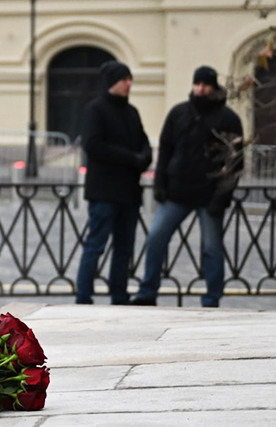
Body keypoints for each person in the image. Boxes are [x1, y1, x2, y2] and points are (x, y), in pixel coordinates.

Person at [130, 66, 244, 308]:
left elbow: (235, 162)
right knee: (156, 238)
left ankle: (212, 298)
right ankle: (148, 291)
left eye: (205, 84)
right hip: (176, 191)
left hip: (210, 194)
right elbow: (166, 148)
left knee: (212, 248)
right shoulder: (179, 113)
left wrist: (221, 198)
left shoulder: (228, 118)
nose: (200, 88)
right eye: (197, 84)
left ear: (213, 87)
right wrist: (160, 183)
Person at [75, 60, 152, 305]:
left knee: (124, 249)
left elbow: (143, 141)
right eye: (124, 80)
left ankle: (119, 295)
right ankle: (83, 296)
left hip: (128, 193)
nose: (129, 84)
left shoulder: (132, 112)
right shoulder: (95, 110)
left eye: (130, 79)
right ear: (112, 83)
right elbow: (94, 145)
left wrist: (144, 157)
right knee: (95, 246)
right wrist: (133, 158)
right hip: (104, 192)